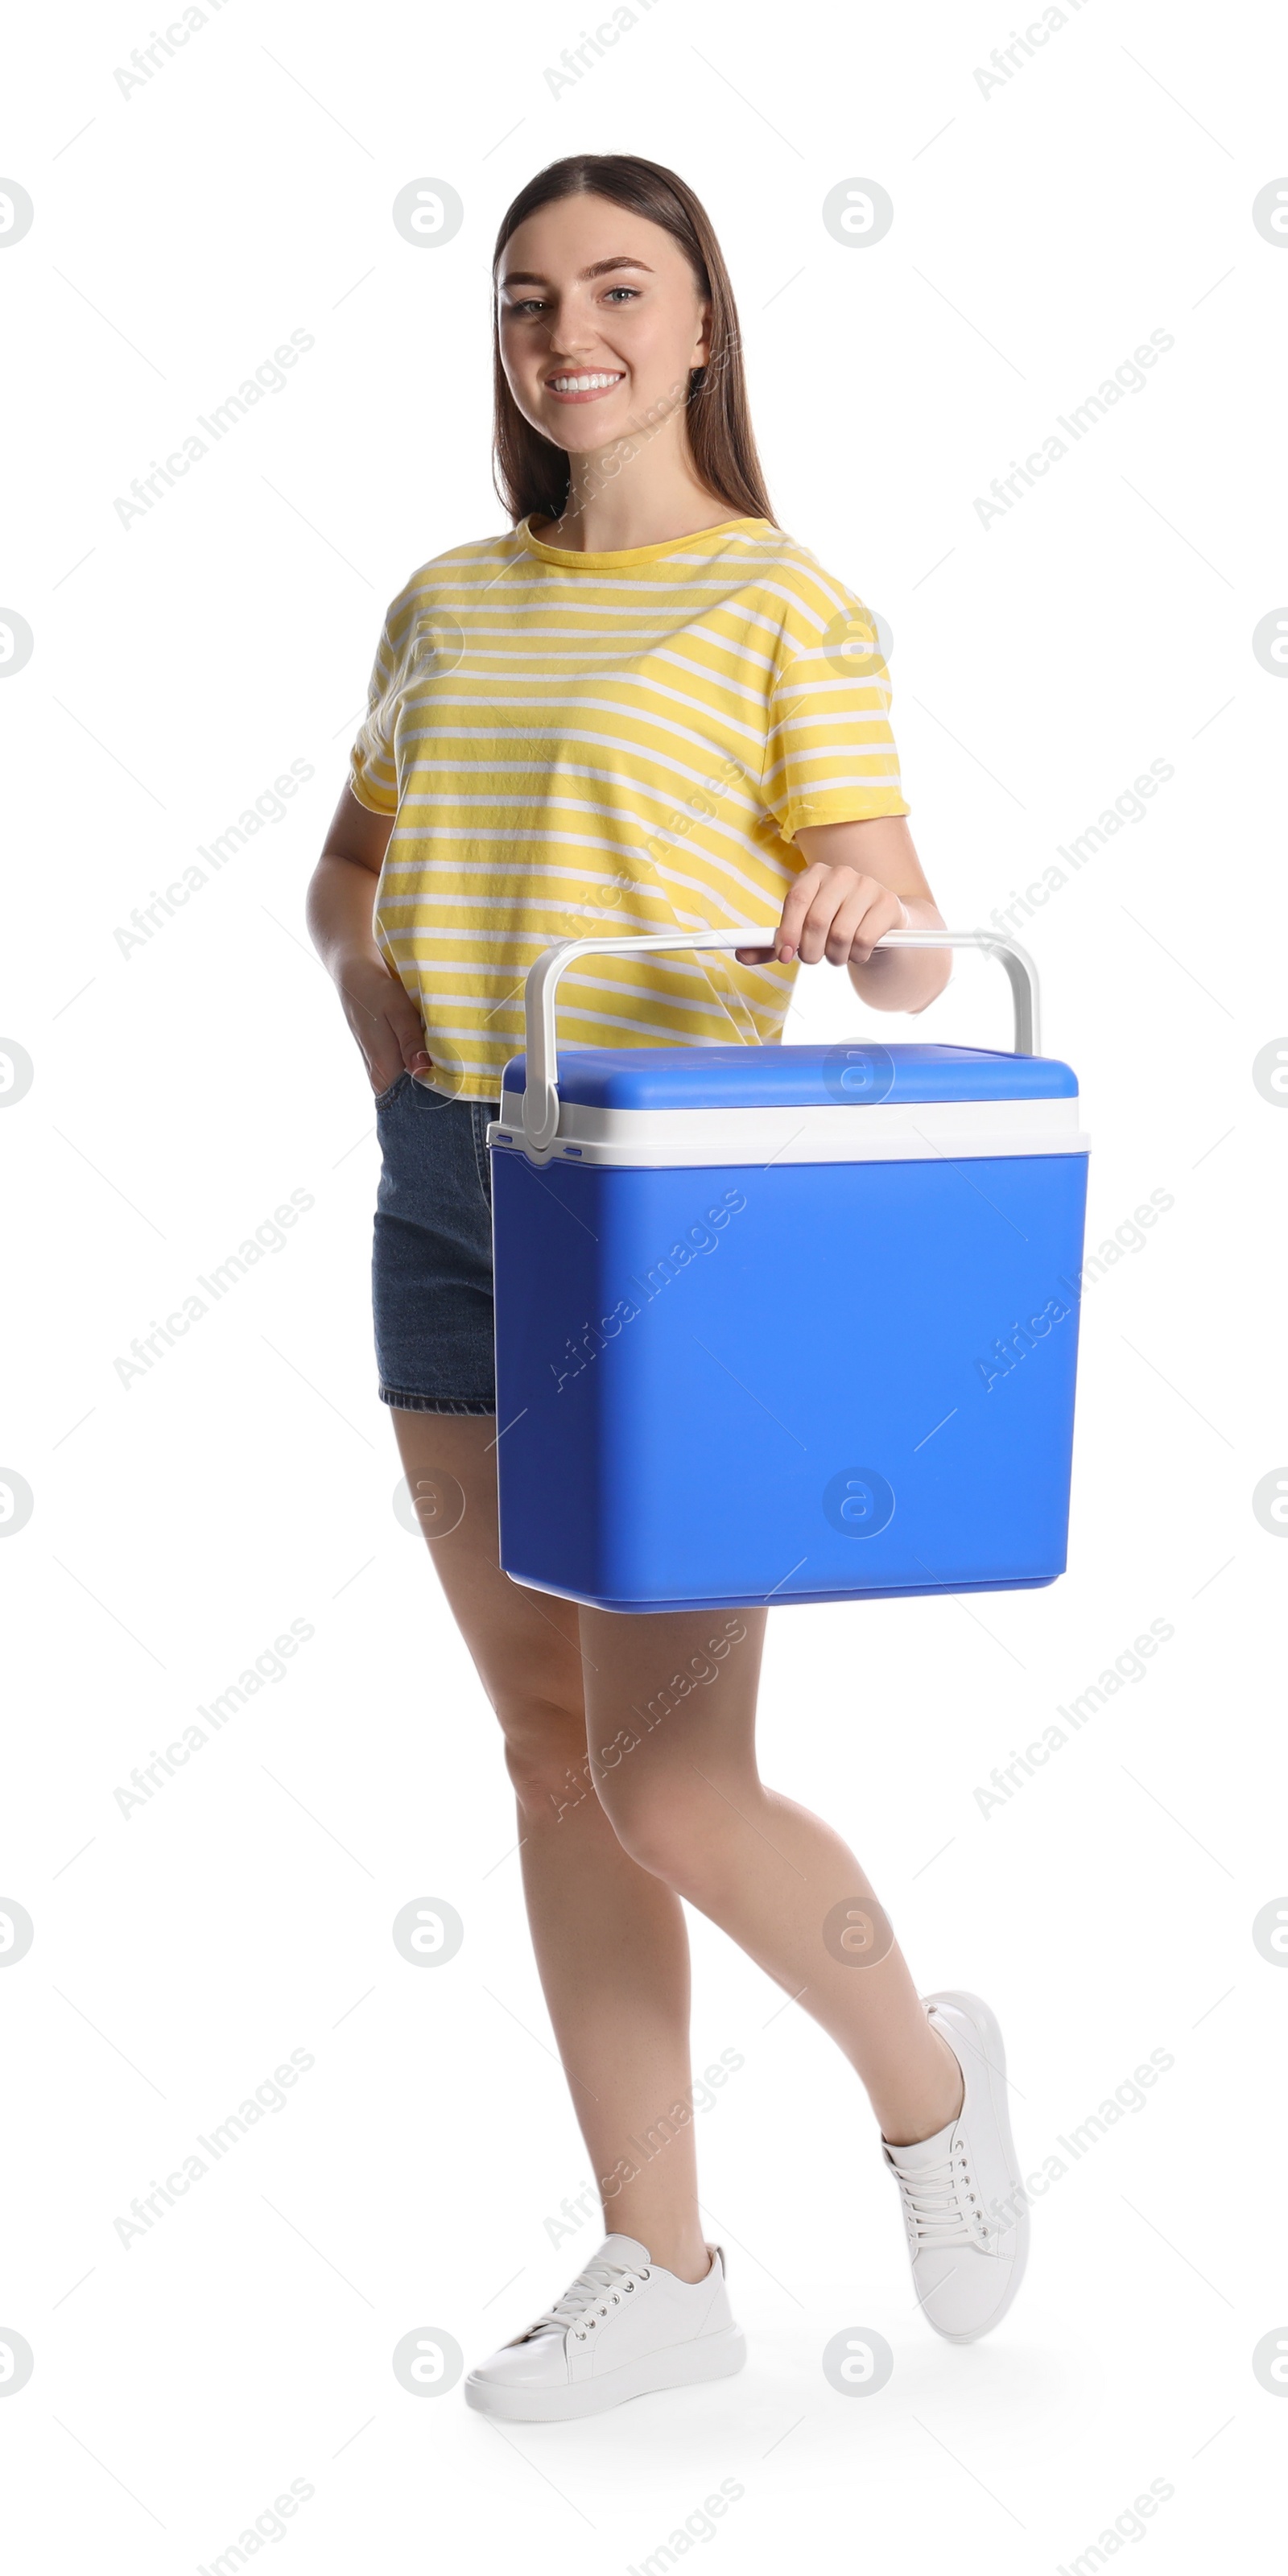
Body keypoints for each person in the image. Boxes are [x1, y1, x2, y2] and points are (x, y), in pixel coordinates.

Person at [306, 151, 1027, 2423]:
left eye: (618, 287)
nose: (567, 331)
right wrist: (372, 1000)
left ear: (704, 320)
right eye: (527, 297)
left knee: (675, 1778)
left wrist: (856, 924)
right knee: (546, 1750)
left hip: (671, 1210)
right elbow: (351, 872)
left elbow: (909, 945)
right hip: (446, 1187)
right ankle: (665, 2263)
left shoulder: (786, 606)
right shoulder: (442, 597)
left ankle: (927, 2088)